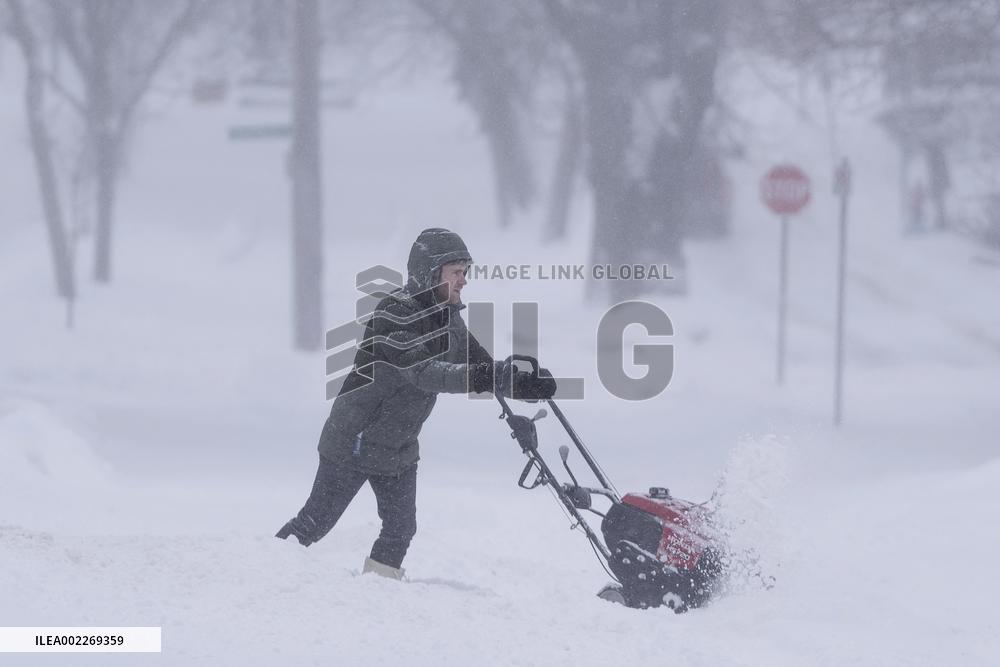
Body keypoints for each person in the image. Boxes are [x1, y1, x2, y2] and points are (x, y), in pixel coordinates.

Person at [275, 228, 557, 579]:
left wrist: (524, 383)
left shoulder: (449, 318)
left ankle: (379, 596)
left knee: (400, 530)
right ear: (429, 272)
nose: (464, 281)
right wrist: (491, 375)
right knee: (314, 524)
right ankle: (266, 571)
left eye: (465, 273)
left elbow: (479, 366)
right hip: (354, 442)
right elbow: (425, 372)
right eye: (456, 272)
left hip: (398, 447)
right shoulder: (394, 314)